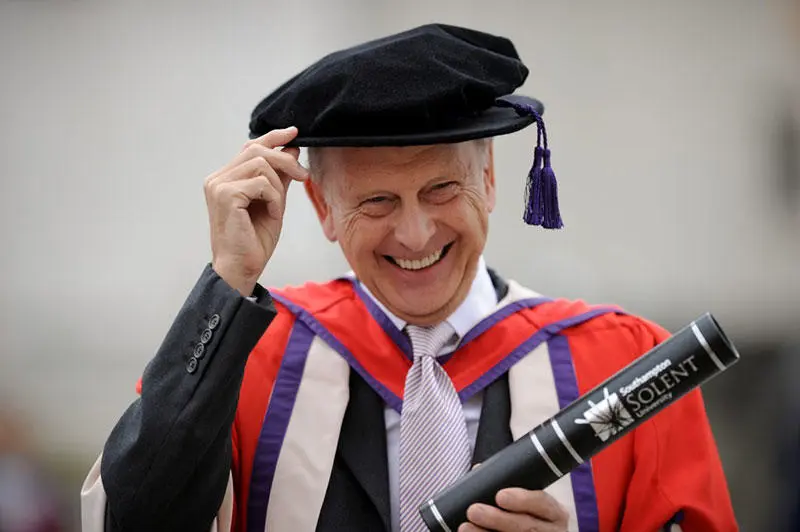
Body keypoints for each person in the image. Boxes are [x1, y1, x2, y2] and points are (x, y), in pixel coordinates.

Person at [80, 24, 738, 532]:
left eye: (442, 187)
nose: (416, 233)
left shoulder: (629, 364)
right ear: (323, 210)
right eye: (377, 202)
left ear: (488, 180)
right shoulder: (252, 359)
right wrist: (228, 281)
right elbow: (134, 517)